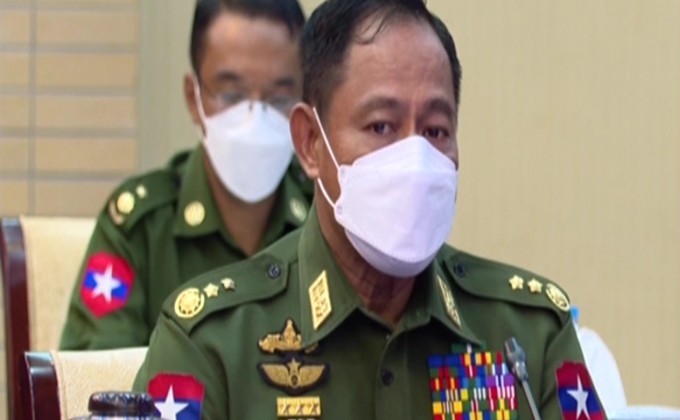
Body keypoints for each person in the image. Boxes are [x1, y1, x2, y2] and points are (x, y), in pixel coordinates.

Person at [133, 0, 604, 418]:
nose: (414, 157)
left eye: (436, 130)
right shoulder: (213, 343)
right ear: (310, 142)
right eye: (381, 126)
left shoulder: (527, 335)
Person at [60, 0, 312, 350]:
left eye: (280, 99)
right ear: (194, 99)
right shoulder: (140, 229)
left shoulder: (325, 219)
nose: (255, 118)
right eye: (232, 95)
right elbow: (101, 371)